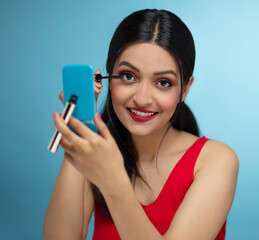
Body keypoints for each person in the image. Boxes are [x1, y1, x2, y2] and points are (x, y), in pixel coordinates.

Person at [44, 9, 239, 240]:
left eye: (164, 82)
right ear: (107, 76)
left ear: (184, 89)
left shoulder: (217, 160)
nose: (142, 98)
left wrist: (113, 181)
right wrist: (80, 129)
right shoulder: (97, 152)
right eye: (128, 76)